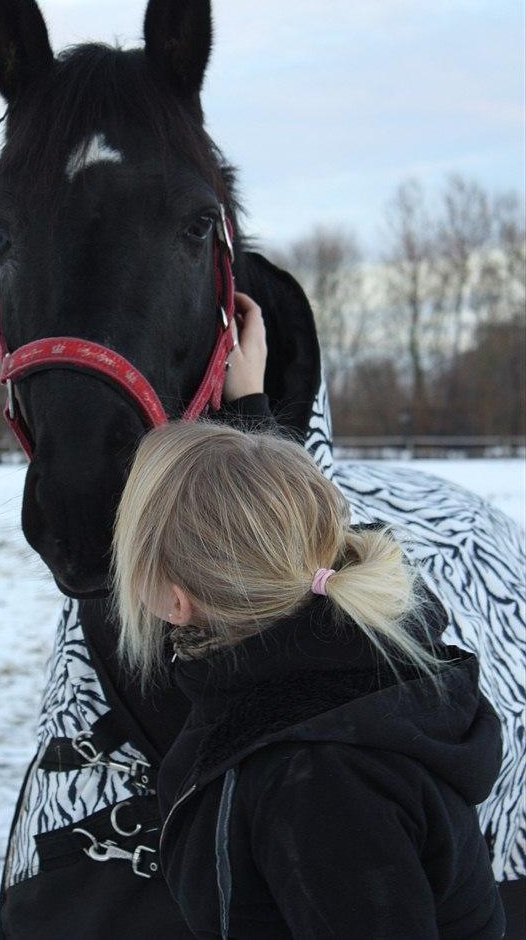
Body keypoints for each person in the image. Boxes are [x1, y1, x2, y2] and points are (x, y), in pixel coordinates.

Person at [109, 290, 506, 940]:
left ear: (175, 601)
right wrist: (249, 411)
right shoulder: (335, 675)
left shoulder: (315, 786)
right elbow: (267, 526)